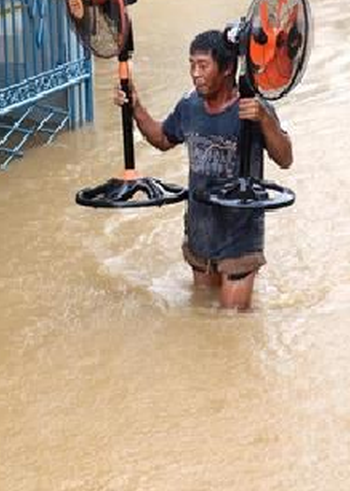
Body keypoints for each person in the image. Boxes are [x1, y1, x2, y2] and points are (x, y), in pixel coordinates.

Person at [116, 30, 293, 310]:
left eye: (203, 65)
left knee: (231, 320)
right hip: (201, 230)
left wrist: (265, 120)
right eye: (191, 65)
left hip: (240, 234)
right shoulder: (190, 106)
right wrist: (135, 107)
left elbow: (285, 158)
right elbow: (162, 139)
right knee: (203, 315)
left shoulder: (252, 108)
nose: (195, 73)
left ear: (227, 69)